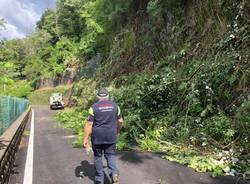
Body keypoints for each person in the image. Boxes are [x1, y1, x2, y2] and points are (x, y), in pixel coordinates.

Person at [83, 88, 123, 184]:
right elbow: (120, 121)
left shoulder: (93, 107)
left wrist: (85, 138)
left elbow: (89, 124)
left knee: (97, 157)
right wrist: (117, 131)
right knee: (110, 155)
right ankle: (114, 174)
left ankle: (99, 180)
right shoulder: (115, 106)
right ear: (108, 96)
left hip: (97, 137)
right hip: (111, 135)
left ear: (98, 96)